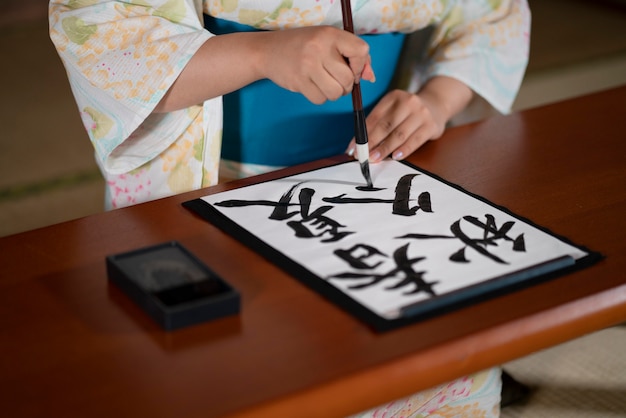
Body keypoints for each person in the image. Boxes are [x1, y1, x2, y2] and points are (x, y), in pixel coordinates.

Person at [49, 1, 531, 416]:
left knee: (429, 365)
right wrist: (262, 52)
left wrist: (434, 102)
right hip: (213, 183)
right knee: (231, 375)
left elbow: (492, 16)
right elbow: (103, 36)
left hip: (372, 178)